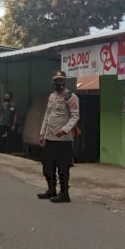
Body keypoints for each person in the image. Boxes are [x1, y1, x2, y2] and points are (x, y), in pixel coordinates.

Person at [38, 70, 80, 203]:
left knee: (63, 168)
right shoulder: (52, 97)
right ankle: (51, 190)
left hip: (63, 140)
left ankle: (64, 194)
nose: (58, 83)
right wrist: (42, 133)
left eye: (60, 80)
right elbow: (47, 116)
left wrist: (65, 130)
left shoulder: (71, 97)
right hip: (50, 138)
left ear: (64, 81)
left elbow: (75, 116)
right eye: (56, 80)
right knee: (47, 167)